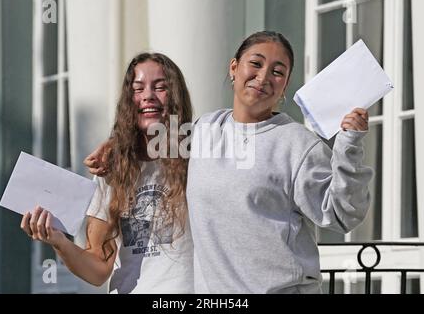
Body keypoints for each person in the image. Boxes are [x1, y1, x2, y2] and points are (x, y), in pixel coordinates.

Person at [86, 31, 373, 294]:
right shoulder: (204, 132)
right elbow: (153, 138)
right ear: (234, 68)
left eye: (277, 72)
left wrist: (349, 146)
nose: (263, 77)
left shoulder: (298, 145)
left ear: (284, 85)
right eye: (256, 64)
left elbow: (341, 215)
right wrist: (114, 148)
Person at [21, 52, 194, 294]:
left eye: (161, 87)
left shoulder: (198, 156)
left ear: (175, 96)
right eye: (138, 88)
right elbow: (98, 269)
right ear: (127, 101)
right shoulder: (113, 169)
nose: (148, 96)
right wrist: (59, 241)